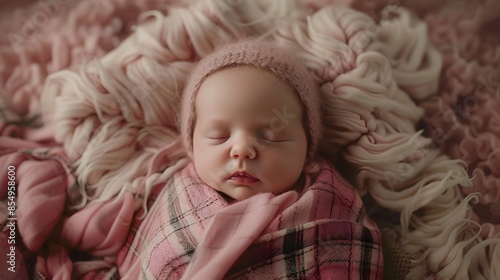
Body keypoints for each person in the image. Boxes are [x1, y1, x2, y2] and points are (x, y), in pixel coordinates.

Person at [119, 38, 383, 279]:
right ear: (192, 143)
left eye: (271, 136)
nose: (242, 150)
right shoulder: (174, 195)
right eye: (219, 136)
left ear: (307, 147)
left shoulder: (331, 204)